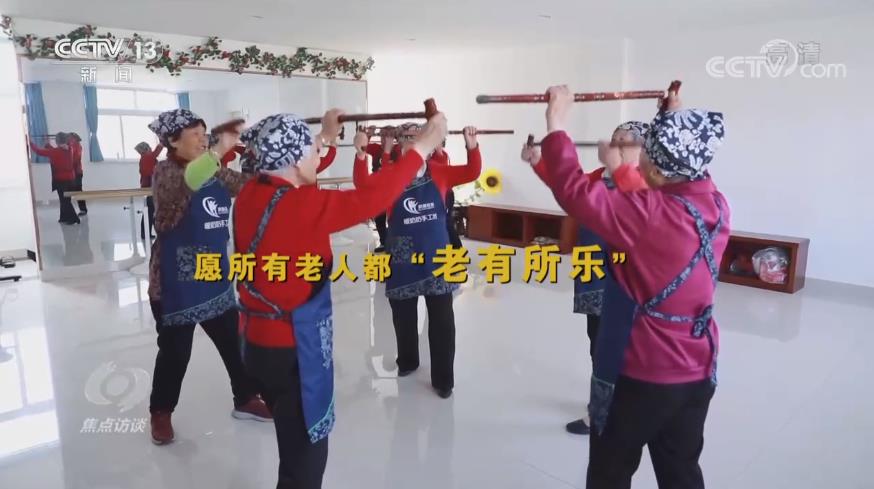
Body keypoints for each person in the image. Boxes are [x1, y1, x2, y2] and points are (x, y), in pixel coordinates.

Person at [226, 109, 448, 489]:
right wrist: (422, 146)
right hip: (292, 349)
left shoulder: (251, 193)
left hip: (255, 343)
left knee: (290, 438)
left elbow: (302, 178)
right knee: (305, 462)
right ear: (293, 161)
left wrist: (326, 134)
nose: (320, 154)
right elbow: (372, 198)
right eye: (313, 149)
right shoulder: (301, 206)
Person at [538, 85, 729, 489]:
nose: (635, 159)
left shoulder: (648, 214)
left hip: (645, 372)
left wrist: (557, 123)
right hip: (698, 367)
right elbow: (674, 171)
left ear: (655, 169)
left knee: (610, 471)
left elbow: (574, 193)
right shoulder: (714, 202)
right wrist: (671, 118)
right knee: (680, 470)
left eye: (642, 154)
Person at [145, 109, 271, 446]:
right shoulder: (166, 172)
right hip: (175, 282)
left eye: (205, 133)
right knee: (175, 353)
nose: (203, 140)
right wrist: (218, 151)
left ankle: (245, 398)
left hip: (213, 272)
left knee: (234, 343)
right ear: (173, 141)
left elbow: (247, 186)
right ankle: (161, 412)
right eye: (196, 135)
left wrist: (258, 155)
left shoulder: (214, 170)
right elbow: (188, 184)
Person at [522, 122, 650, 435]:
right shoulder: (597, 177)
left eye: (625, 141)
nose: (616, 145)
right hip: (593, 272)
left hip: (628, 281)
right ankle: (604, 406)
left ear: (643, 148)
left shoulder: (647, 184)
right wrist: (537, 161)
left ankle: (616, 412)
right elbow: (566, 185)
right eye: (614, 139)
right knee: (599, 343)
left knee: (627, 348)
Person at [354, 123, 481, 399]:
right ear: (399, 143)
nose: (412, 140)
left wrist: (472, 145)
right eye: (407, 137)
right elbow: (362, 183)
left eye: (417, 136)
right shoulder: (390, 174)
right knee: (403, 316)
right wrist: (361, 152)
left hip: (438, 258)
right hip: (402, 258)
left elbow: (472, 172)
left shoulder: (440, 171)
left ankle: (443, 380)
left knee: (443, 321)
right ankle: (408, 361)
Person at [30, 132, 79, 225]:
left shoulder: (56, 152)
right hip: (71, 180)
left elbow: (39, 151)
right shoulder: (70, 148)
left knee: (65, 201)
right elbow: (56, 151)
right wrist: (47, 144)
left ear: (57, 141)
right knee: (65, 200)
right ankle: (63, 218)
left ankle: (74, 219)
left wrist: (30, 143)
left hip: (62, 181)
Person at [136, 141, 164, 239]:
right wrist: (162, 142)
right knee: (150, 211)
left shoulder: (144, 159)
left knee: (150, 211)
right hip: (150, 188)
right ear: (146, 149)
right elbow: (155, 153)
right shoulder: (146, 157)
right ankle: (146, 233)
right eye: (149, 147)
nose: (151, 148)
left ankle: (146, 233)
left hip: (149, 187)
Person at [68, 132, 87, 216]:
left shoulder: (77, 146)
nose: (69, 139)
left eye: (70, 138)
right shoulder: (72, 145)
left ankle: (83, 209)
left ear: (74, 139)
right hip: (72, 172)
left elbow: (75, 158)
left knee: (78, 191)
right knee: (72, 191)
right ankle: (70, 211)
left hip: (77, 172)